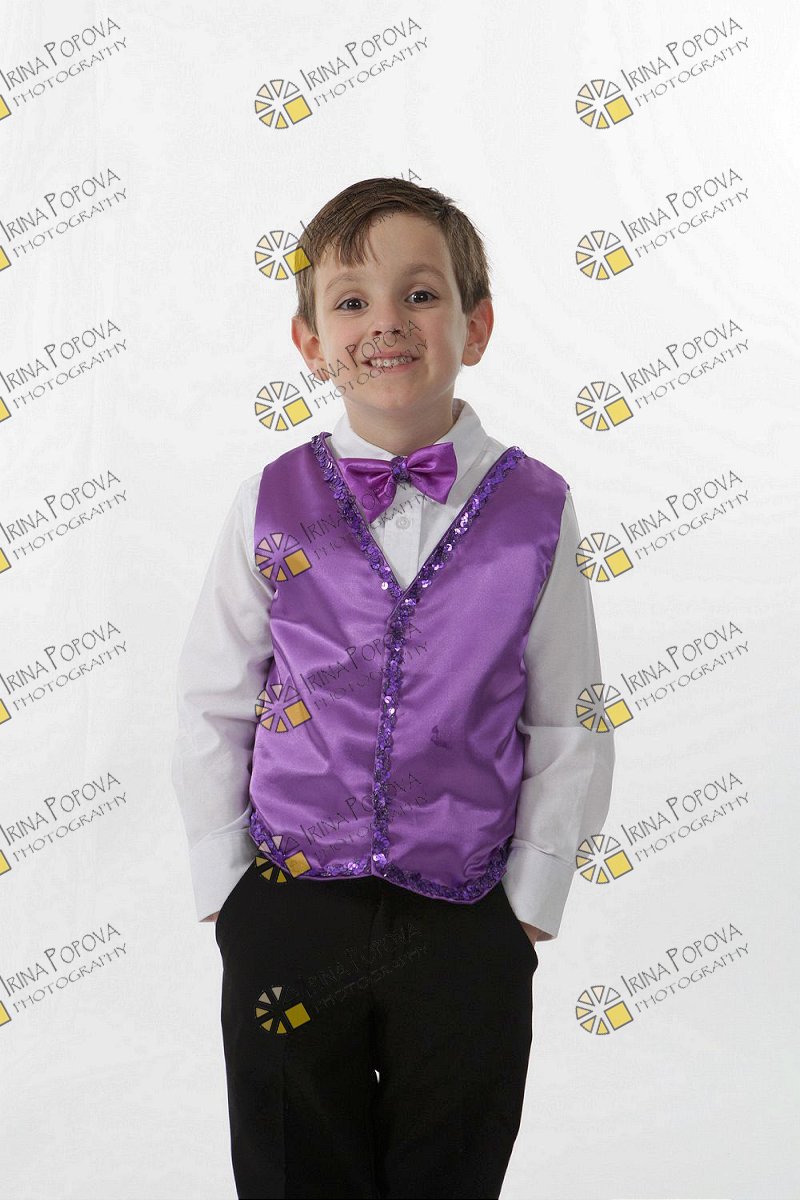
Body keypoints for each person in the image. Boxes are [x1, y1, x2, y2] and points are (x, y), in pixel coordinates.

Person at [171, 176, 615, 1199]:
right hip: (288, 902)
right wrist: (227, 888)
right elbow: (214, 696)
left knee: (450, 1169)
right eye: (350, 301)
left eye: (420, 294)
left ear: (476, 325)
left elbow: (568, 714)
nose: (386, 322)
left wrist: (528, 901)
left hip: (465, 914)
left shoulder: (536, 508)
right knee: (293, 1164)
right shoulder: (268, 500)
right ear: (309, 342)